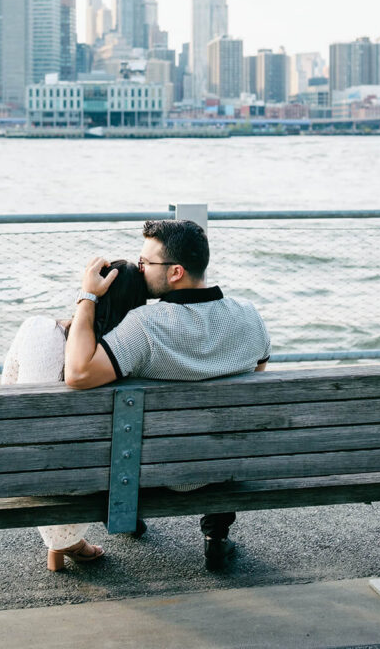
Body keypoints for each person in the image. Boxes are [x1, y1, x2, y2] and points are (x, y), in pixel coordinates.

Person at [65, 218, 271, 570]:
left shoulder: (144, 326)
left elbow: (79, 373)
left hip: (157, 473)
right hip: (222, 465)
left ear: (175, 272)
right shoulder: (250, 317)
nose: (140, 269)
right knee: (224, 430)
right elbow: (254, 380)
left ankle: (128, 516)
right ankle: (216, 538)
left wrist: (87, 297)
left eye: (146, 263)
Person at [1, 259, 147, 571]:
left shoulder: (36, 329)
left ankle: (63, 545)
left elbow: (9, 390)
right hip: (92, 481)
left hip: (26, 470)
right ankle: (67, 542)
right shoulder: (127, 359)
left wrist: (86, 295)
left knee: (47, 444)